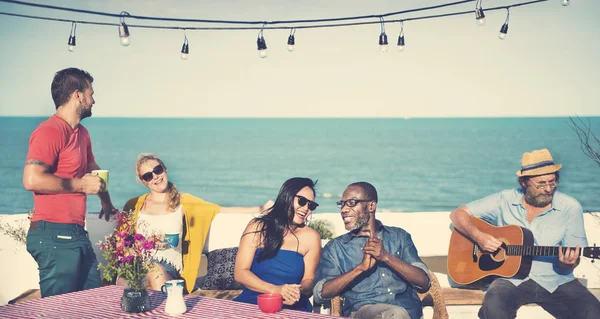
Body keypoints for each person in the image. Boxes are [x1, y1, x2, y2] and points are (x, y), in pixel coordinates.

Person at [449, 148, 600, 319]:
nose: (548, 189)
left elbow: (572, 259)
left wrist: (569, 263)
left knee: (593, 312)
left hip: (556, 281)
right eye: (541, 184)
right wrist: (480, 237)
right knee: (494, 304)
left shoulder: (570, 207)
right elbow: (457, 214)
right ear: (524, 183)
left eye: (552, 182)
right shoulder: (503, 200)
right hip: (510, 280)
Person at [22, 68, 117, 298]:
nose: (94, 99)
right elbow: (32, 179)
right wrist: (82, 186)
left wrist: (106, 202)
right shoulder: (49, 131)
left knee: (93, 302)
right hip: (54, 233)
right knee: (58, 309)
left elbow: (92, 169)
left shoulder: (82, 133)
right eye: (91, 93)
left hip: (75, 233)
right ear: (78, 95)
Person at [121, 153, 273, 293]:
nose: (155, 176)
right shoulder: (134, 204)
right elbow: (120, 241)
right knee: (123, 279)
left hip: (166, 267)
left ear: (165, 169)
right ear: (143, 182)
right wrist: (134, 248)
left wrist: (261, 208)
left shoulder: (185, 202)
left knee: (155, 270)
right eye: (148, 176)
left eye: (157, 170)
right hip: (137, 264)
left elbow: (220, 210)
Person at [313, 182, 431, 319]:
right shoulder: (337, 247)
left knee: (397, 314)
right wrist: (360, 269)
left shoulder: (399, 237)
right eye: (342, 204)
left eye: (351, 203)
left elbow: (424, 282)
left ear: (371, 206)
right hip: (363, 311)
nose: (343, 210)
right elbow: (320, 293)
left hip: (408, 312)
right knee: (395, 314)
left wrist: (386, 257)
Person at [234, 177, 322, 312]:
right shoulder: (257, 227)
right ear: (286, 196)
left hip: (293, 306)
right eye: (302, 201)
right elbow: (240, 273)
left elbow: (308, 279)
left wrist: (298, 291)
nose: (306, 209)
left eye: (311, 205)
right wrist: (276, 290)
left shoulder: (312, 237)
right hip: (253, 303)